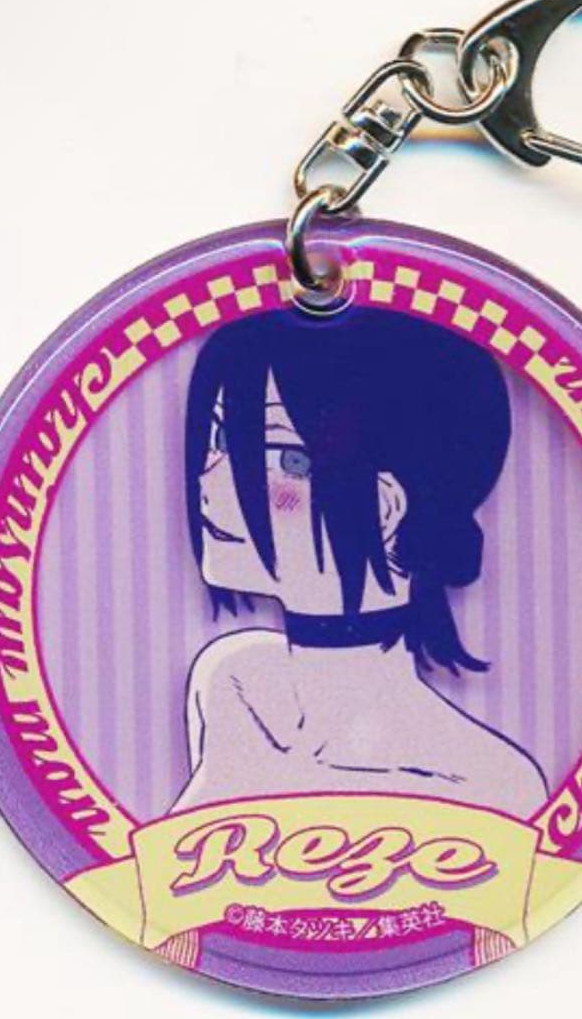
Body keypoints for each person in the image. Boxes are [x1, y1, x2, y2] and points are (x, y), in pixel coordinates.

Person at [172, 306, 546, 817]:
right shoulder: (238, 681)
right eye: (221, 439)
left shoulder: (486, 786)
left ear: (386, 505)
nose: (208, 484)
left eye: (287, 458)